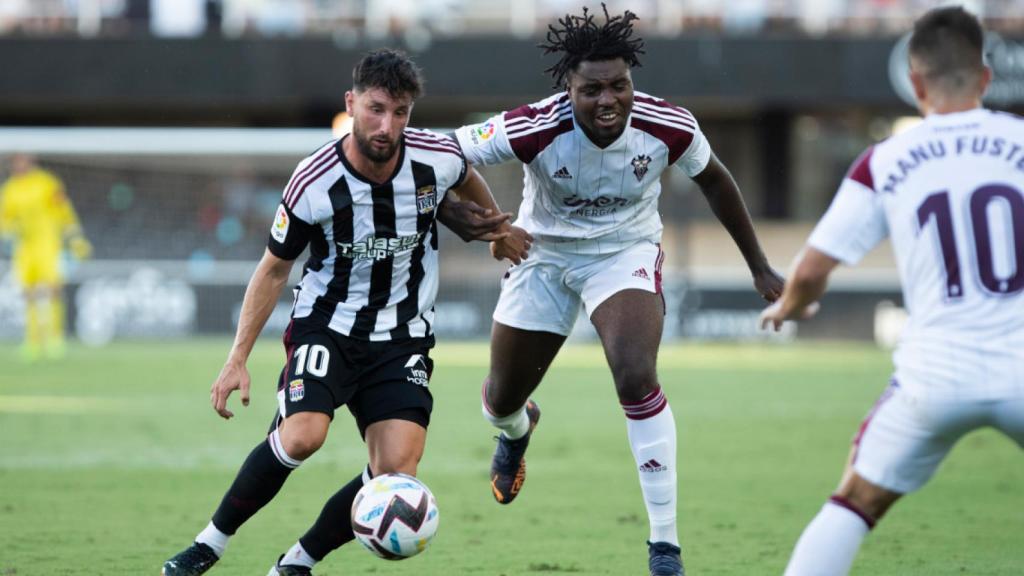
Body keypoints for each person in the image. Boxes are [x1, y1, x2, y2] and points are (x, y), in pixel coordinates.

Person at [162, 48, 530, 576]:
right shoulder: (313, 181)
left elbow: (464, 175)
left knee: (395, 473)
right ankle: (209, 545)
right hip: (327, 326)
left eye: (400, 113)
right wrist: (237, 357)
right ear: (351, 102)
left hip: (402, 337)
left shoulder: (435, 156)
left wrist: (494, 232)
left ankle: (297, 562)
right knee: (302, 437)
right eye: (376, 109)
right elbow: (272, 269)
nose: (387, 126)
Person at [453, 6, 784, 575]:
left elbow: (716, 181)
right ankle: (517, 430)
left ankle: (664, 547)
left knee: (635, 372)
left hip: (624, 253)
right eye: (592, 90)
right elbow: (443, 154)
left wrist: (760, 267)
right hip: (543, 256)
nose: (608, 100)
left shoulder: (669, 125)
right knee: (500, 400)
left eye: (619, 86)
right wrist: (467, 218)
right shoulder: (531, 125)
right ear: (568, 88)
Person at [760, 7, 1024, 575]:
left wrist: (793, 305)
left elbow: (810, 269)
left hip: (936, 374)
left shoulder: (885, 161)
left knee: (853, 503)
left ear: (915, 83)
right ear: (985, 77)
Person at [0, 153, 92, 361]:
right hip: (24, 247)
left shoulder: (46, 183)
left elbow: (64, 210)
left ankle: (55, 339)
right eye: (16, 162)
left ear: (31, 163)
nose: (20, 165)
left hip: (49, 243)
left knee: (53, 289)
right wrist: (10, 229)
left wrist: (75, 238)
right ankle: (33, 341)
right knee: (29, 293)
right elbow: (4, 220)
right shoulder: (9, 190)